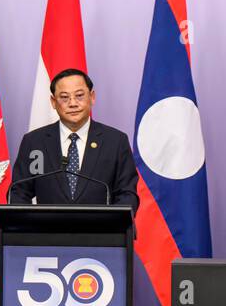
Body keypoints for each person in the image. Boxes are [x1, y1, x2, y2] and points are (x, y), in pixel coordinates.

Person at [9, 68, 139, 212]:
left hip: (101, 232)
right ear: (53, 101)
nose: (72, 103)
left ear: (92, 97)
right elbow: (19, 191)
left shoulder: (115, 142)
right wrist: (30, 226)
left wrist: (111, 224)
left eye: (79, 96)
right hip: (47, 232)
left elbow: (127, 194)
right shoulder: (35, 143)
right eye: (64, 97)